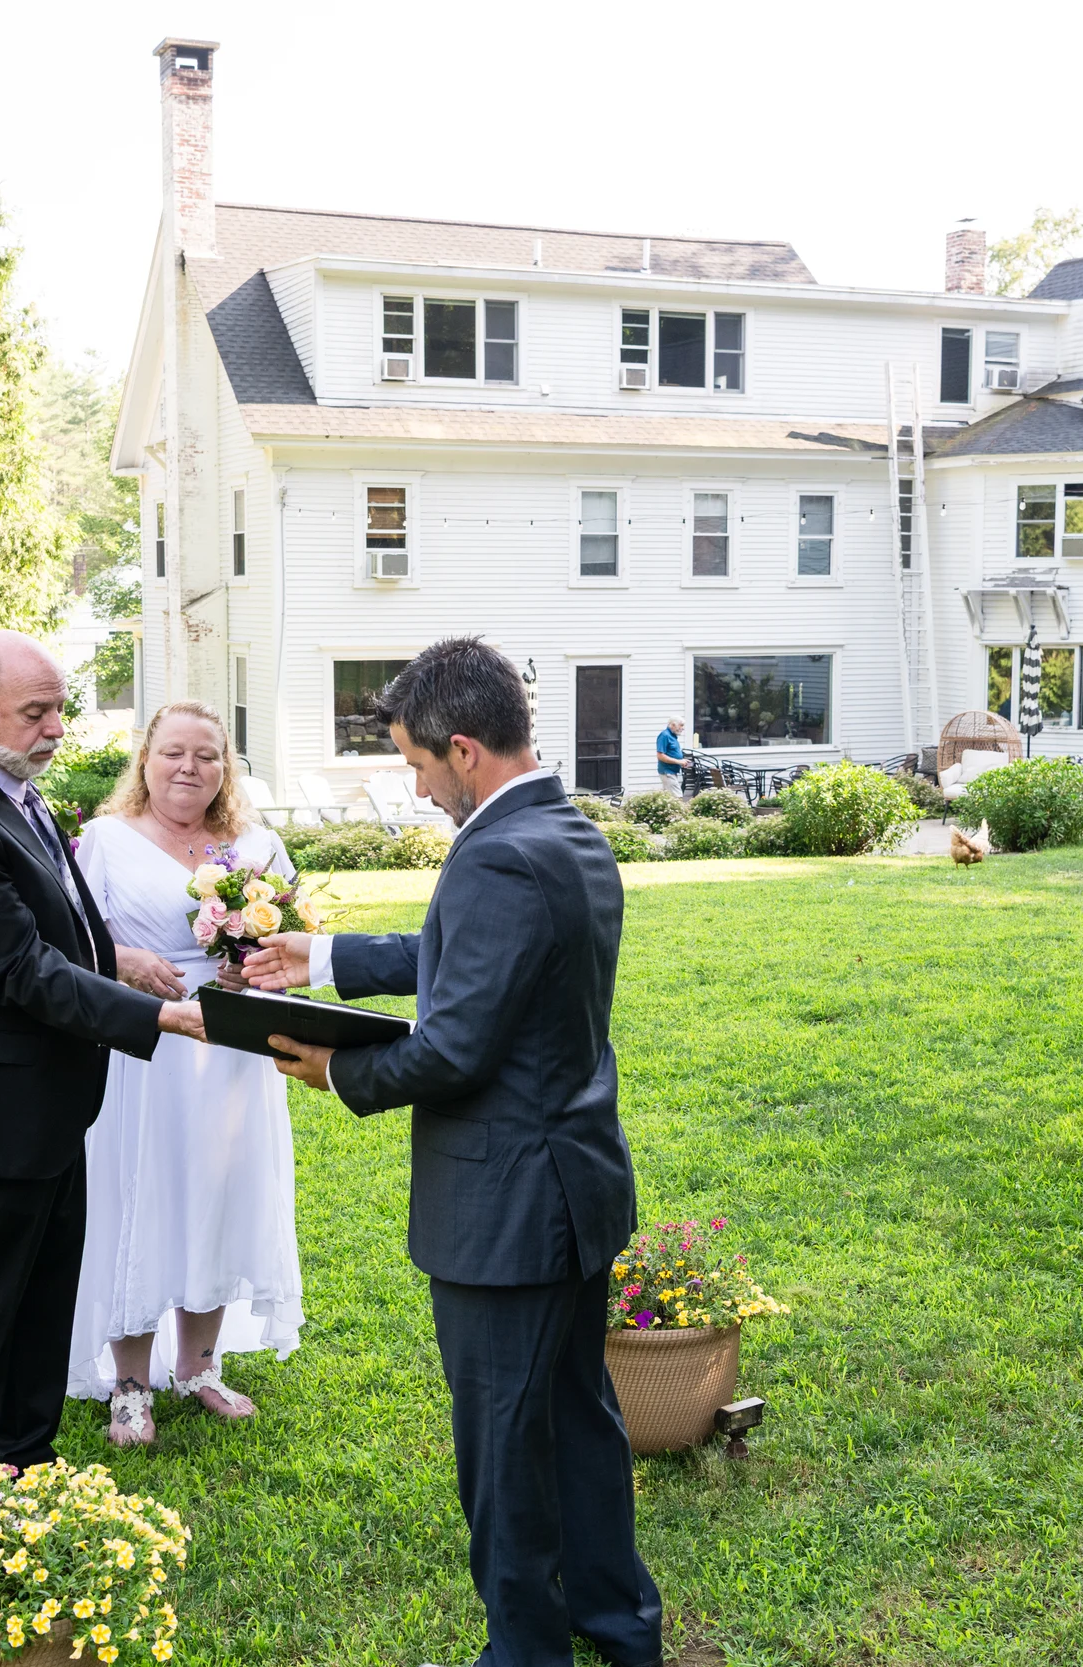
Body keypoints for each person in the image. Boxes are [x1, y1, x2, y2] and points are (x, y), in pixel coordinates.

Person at [244, 638, 661, 1667]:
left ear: (463, 748)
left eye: (415, 763)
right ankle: (617, 1622)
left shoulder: (495, 851)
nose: (415, 786)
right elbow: (479, 961)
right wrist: (327, 954)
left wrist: (335, 1073)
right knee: (576, 1421)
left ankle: (523, 1651)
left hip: (506, 1213)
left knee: (505, 1449)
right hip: (571, 1187)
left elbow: (456, 1045)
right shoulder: (565, 831)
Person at [0, 630, 205, 1467]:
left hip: (42, 1104)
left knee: (43, 1298)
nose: (56, 728)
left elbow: (60, 923)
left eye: (59, 709)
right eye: (37, 711)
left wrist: (111, 957)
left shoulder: (10, 783)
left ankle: (26, 1464)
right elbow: (19, 967)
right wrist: (153, 1016)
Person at [68, 700, 305, 1447]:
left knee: (217, 1194)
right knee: (140, 1194)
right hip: (140, 1051)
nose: (188, 768)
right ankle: (131, 1380)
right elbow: (68, 940)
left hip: (229, 1054)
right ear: (146, 759)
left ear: (225, 767)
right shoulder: (107, 841)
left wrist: (255, 969)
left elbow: (294, 945)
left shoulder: (255, 844)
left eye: (206, 755)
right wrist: (121, 962)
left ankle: (198, 1365)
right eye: (173, 752)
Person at [654, 717, 687, 794]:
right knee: (677, 796)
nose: (683, 728)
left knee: (668, 797)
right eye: (681, 725)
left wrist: (681, 762)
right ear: (673, 725)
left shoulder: (672, 736)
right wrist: (679, 761)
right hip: (667, 771)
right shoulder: (664, 735)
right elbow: (660, 756)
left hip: (672, 771)